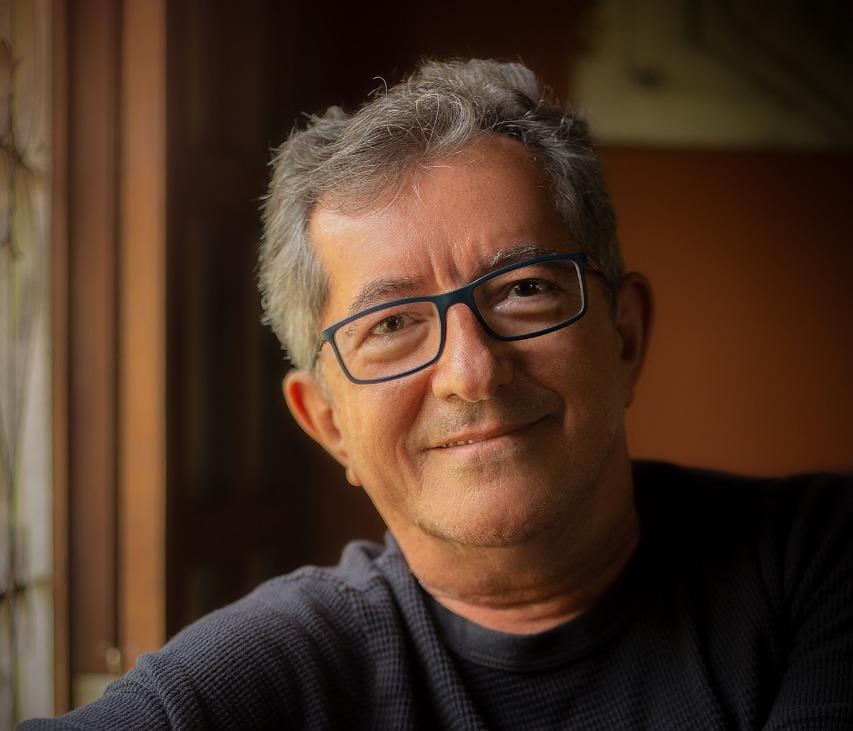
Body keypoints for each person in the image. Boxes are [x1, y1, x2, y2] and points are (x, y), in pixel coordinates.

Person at [26, 58, 852, 729]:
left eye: (523, 290)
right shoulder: (271, 664)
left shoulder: (819, 556)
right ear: (329, 423)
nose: (471, 371)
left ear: (624, 335)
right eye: (390, 324)